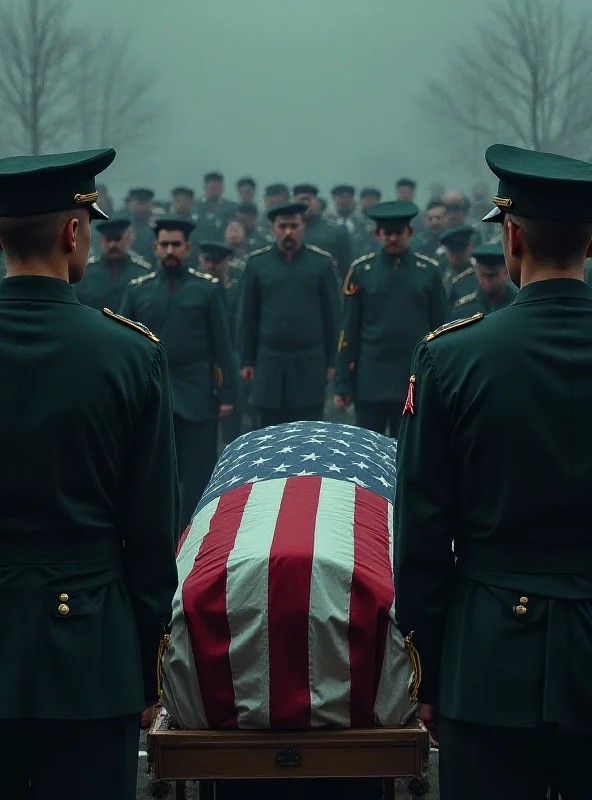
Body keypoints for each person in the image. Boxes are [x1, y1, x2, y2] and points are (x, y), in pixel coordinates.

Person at [394, 143, 592, 800]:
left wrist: (428, 670)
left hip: (489, 654)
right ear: (591, 244)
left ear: (510, 238)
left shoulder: (453, 358)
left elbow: (422, 530)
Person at [0, 149, 178, 799]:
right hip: (87, 649)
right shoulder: (128, 354)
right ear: (75, 232)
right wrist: (149, 671)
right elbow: (151, 531)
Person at [120, 215, 236, 531]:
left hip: (198, 397)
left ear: (187, 248)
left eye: (176, 245)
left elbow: (222, 346)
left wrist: (226, 394)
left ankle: (195, 540)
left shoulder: (207, 289)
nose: (170, 250)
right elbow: (125, 349)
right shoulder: (137, 291)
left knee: (198, 478)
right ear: (156, 248)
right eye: (165, 245)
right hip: (153, 398)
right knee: (155, 478)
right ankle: (158, 541)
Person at [335, 200, 447, 438]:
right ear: (377, 234)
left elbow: (441, 330)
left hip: (413, 380)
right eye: (387, 233)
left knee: (409, 453)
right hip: (370, 380)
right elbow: (349, 331)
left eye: (399, 233)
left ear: (410, 232)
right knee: (368, 454)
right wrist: (343, 381)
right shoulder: (361, 271)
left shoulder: (428, 272)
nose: (393, 239)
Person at [239, 201, 340, 427]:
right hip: (269, 361)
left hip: (310, 361)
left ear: (302, 227)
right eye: (282, 226)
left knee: (308, 432)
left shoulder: (321, 264)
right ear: (273, 228)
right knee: (268, 432)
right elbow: (247, 316)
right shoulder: (257, 264)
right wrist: (247, 359)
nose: (288, 232)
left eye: (293, 226)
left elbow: (332, 316)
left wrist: (334, 361)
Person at [200, 240, 243, 445]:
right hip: (203, 364)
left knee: (232, 428)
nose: (211, 266)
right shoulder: (196, 289)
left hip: (232, 360)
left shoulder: (235, 291)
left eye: (216, 261)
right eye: (207, 260)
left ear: (226, 262)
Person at [77, 216, 152, 311]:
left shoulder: (142, 272)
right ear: (101, 241)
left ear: (128, 239)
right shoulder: (86, 273)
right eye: (108, 240)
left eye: (117, 239)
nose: (112, 245)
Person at [294, 183, 352, 280]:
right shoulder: (287, 231)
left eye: (308, 199)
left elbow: (345, 268)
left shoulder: (336, 231)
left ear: (317, 202)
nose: (305, 204)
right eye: (301, 200)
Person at [451, 242, 517, 318]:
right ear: (476, 272)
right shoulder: (464, 309)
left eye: (493, 275)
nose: (487, 280)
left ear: (506, 272)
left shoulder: (518, 303)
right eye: (482, 274)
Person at [193, 171, 238, 242]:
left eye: (217, 187)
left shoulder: (230, 208)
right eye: (211, 187)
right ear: (204, 187)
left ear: (222, 188)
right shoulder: (195, 207)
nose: (214, 190)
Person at [439, 224, 478, 306]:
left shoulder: (480, 273)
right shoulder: (440, 271)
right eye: (452, 253)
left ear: (470, 247)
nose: (456, 257)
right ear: (446, 251)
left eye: (460, 252)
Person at [126, 187, 156, 266]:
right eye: (138, 204)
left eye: (144, 204)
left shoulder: (157, 229)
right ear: (130, 204)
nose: (141, 208)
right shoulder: (123, 228)